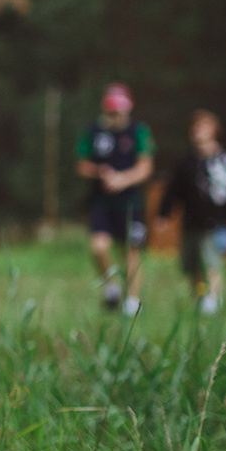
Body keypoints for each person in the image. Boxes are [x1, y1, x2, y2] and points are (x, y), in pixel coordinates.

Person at [157, 109, 226, 316]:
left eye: (203, 126)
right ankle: (199, 302)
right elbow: (173, 191)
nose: (197, 130)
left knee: (211, 262)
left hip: (217, 223)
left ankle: (213, 300)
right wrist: (164, 214)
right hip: (191, 223)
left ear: (214, 130)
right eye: (195, 126)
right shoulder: (185, 163)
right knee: (192, 266)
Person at [76, 83, 155, 315]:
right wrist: (100, 172)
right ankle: (111, 287)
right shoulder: (93, 131)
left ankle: (131, 300)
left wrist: (123, 179)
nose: (116, 116)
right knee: (98, 247)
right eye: (112, 112)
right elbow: (81, 165)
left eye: (120, 111)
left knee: (131, 251)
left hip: (130, 202)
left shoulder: (138, 131)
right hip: (101, 202)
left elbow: (145, 167)